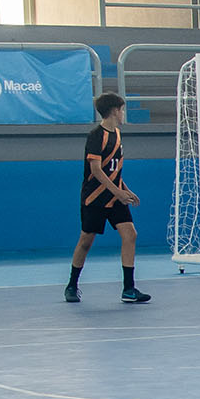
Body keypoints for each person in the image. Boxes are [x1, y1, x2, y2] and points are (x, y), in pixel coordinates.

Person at [65, 92, 150, 304]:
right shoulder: (96, 135)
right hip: (95, 197)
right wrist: (118, 191)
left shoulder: (118, 135)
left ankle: (129, 288)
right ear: (114, 111)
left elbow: (114, 170)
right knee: (86, 241)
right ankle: (72, 285)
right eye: (122, 109)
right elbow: (96, 169)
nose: (123, 113)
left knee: (130, 234)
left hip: (114, 196)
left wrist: (126, 189)